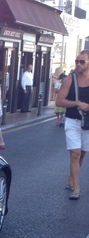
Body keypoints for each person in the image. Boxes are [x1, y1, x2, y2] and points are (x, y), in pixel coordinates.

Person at [56, 50, 89, 200]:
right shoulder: (69, 80)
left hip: (87, 123)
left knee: (82, 153)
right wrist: (77, 103)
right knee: (75, 154)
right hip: (72, 121)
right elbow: (59, 101)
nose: (78, 64)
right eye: (77, 61)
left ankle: (71, 177)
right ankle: (76, 188)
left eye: (82, 62)